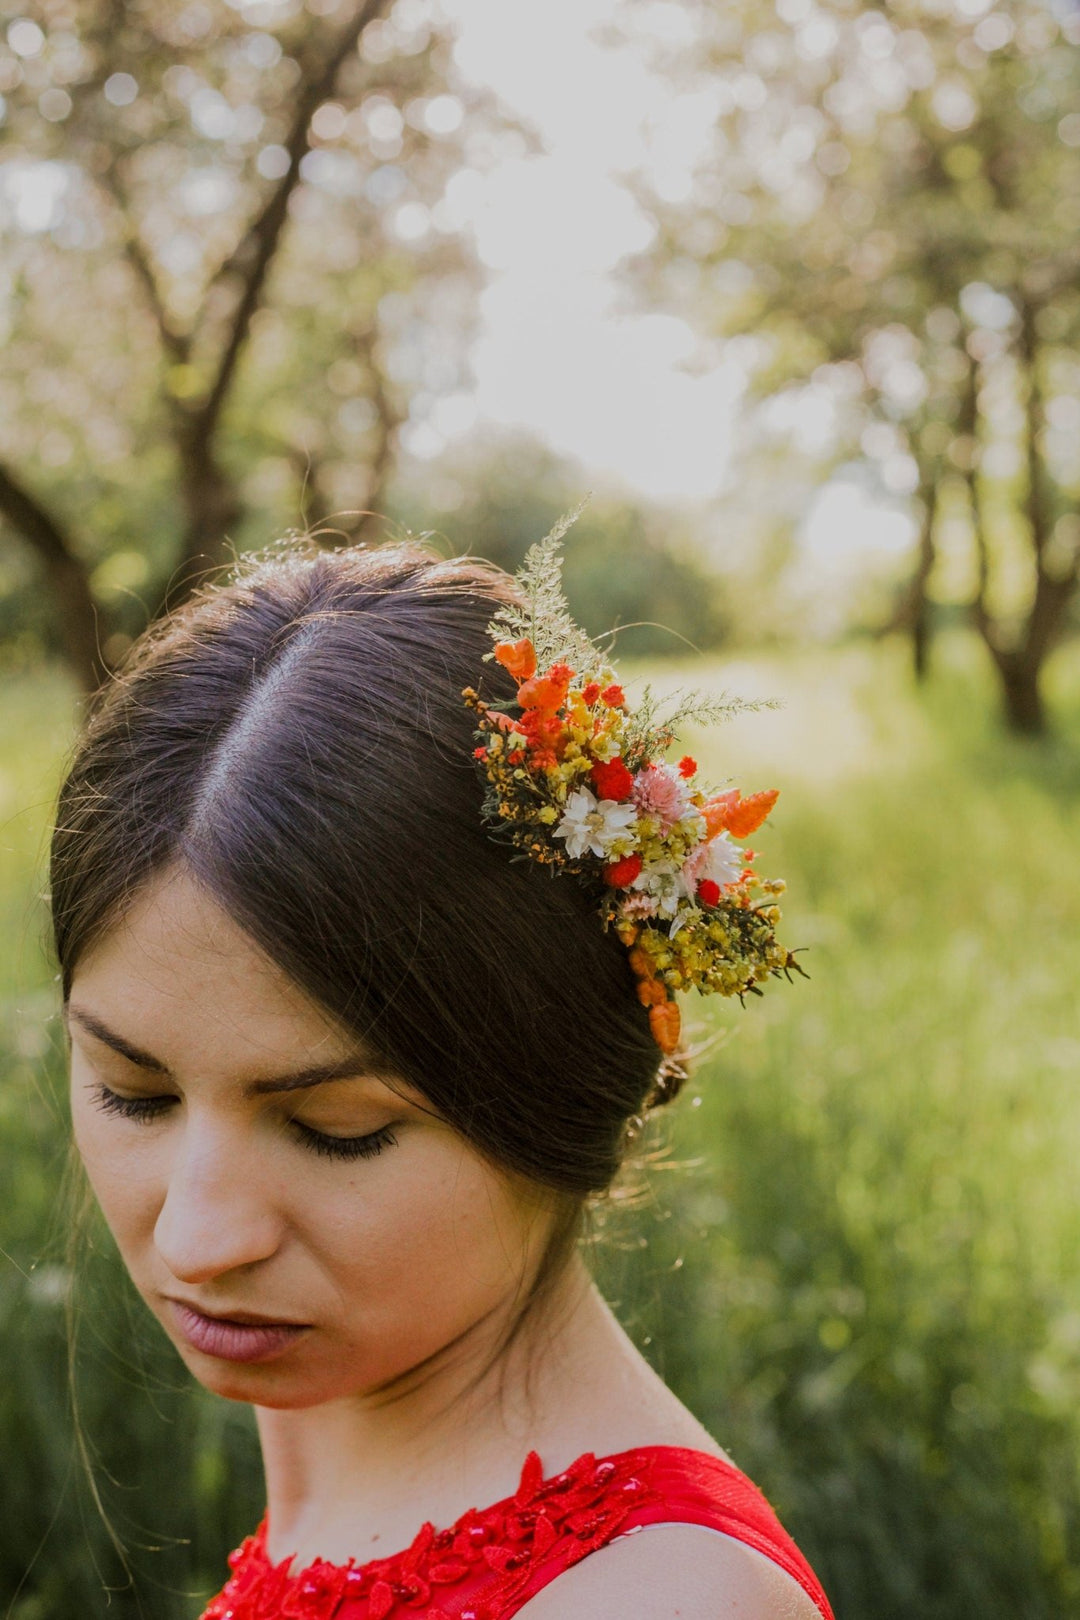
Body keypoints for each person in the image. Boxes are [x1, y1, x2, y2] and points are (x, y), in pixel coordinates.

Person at [51, 529, 833, 1620]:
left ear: (554, 1086)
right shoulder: (336, 1408)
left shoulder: (661, 1600)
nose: (196, 1240)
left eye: (337, 1127)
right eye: (134, 1094)